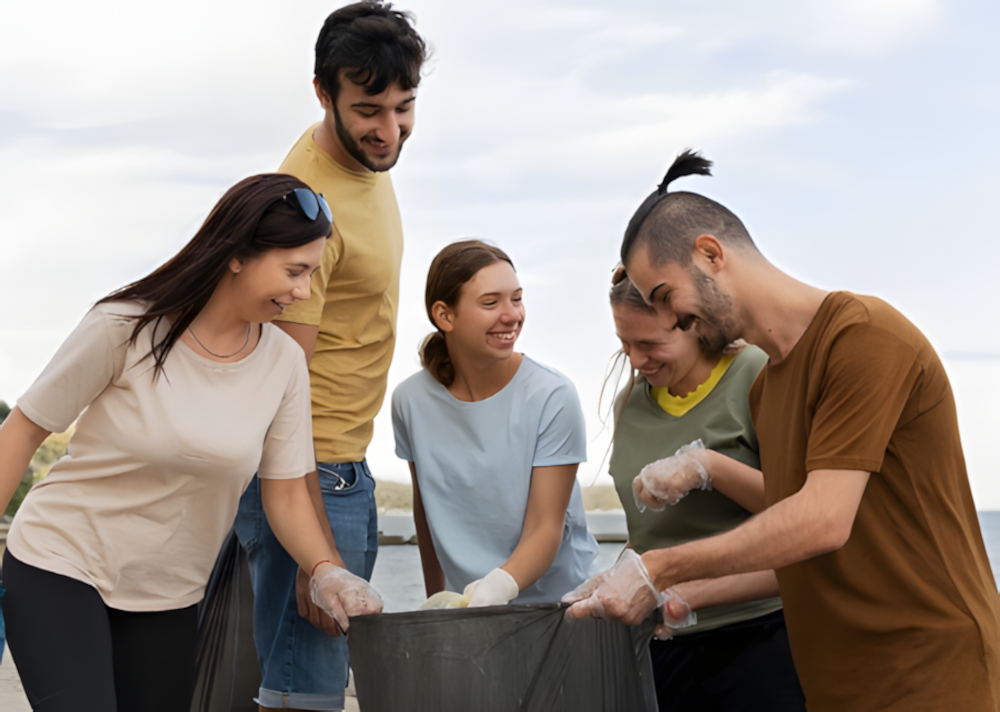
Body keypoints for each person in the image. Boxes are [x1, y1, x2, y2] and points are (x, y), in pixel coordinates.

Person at [566, 151, 1000, 711]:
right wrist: (664, 594)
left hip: (928, 673)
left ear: (710, 254)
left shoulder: (864, 338)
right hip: (834, 681)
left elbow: (821, 521)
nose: (670, 322)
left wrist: (659, 567)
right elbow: (793, 554)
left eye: (666, 298)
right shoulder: (764, 389)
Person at [0, 173, 383, 712]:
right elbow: (23, 430)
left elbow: (287, 493)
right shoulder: (126, 326)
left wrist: (327, 571)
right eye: (294, 271)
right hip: (61, 563)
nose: (303, 291)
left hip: (171, 596)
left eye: (313, 274)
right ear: (237, 255)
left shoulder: (283, 363)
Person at [231, 4, 427, 710]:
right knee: (303, 697)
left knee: (307, 688)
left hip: (345, 466)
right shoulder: (307, 205)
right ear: (323, 92)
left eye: (404, 108)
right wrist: (322, 558)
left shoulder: (366, 163)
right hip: (310, 475)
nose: (390, 130)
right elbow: (281, 386)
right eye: (368, 110)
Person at [607, 267, 804, 711]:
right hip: (666, 642)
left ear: (693, 324)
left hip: (761, 635)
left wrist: (708, 468)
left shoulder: (757, 373)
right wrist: (616, 577)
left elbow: (802, 512)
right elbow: (648, 534)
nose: (636, 360)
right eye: (625, 343)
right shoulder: (630, 403)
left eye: (651, 345)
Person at [391, 240, 599, 605]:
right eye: (491, 302)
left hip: (562, 609)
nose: (511, 315)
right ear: (444, 315)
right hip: (469, 611)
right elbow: (426, 514)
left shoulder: (552, 396)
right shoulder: (410, 401)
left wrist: (497, 588)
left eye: (516, 299)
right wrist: (437, 601)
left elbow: (545, 529)